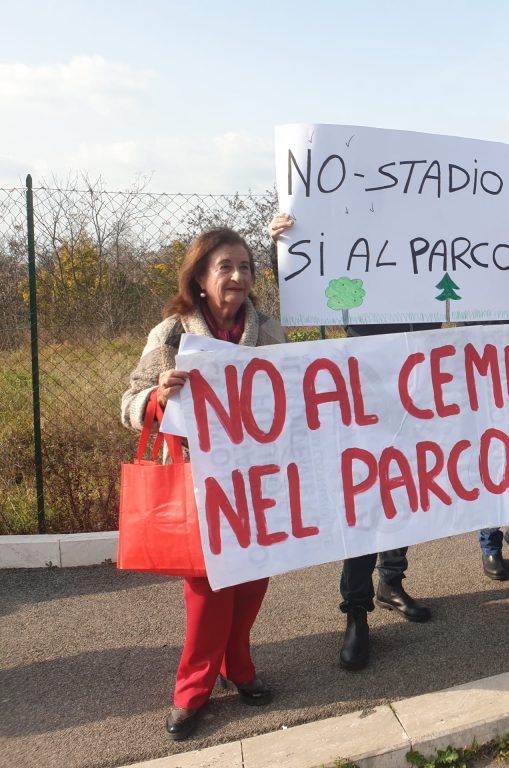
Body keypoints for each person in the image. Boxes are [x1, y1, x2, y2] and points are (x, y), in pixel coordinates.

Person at [267, 212, 509, 667]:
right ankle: (356, 612)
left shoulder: (428, 269)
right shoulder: (356, 263)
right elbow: (307, 284)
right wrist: (282, 247)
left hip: (415, 404)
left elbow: (489, 298)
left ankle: (391, 582)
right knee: (362, 509)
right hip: (359, 405)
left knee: (400, 501)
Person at [120, 228, 284, 740]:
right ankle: (192, 690)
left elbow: (294, 400)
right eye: (225, 267)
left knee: (253, 581)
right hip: (200, 481)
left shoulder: (271, 332)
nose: (237, 277)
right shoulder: (171, 335)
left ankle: (238, 666)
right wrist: (156, 400)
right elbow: (129, 401)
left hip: (259, 479)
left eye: (246, 267)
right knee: (208, 591)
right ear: (200, 277)